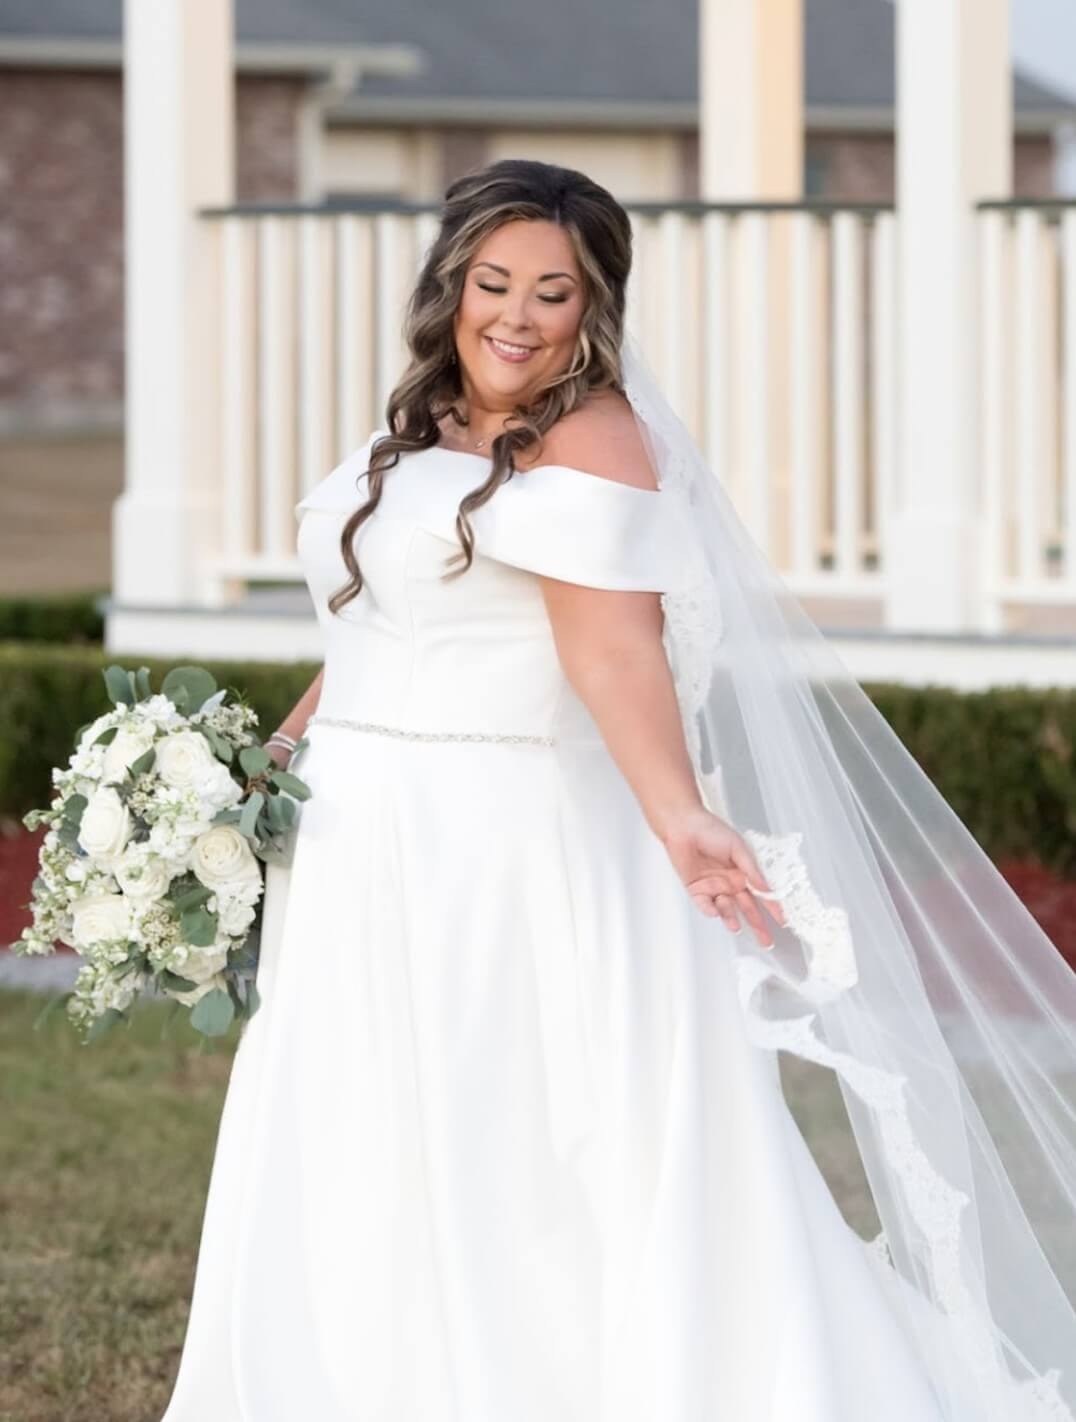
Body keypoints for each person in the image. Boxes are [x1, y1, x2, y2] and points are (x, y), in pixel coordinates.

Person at [160, 160, 1076, 1421]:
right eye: (493, 284)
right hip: (358, 830)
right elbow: (371, 630)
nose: (517, 318)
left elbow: (612, 653)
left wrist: (677, 813)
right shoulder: (417, 426)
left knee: (499, 1134)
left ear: (592, 306)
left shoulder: (591, 437)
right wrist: (263, 766)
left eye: (553, 293)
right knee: (362, 1121)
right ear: (449, 285)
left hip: (494, 843)